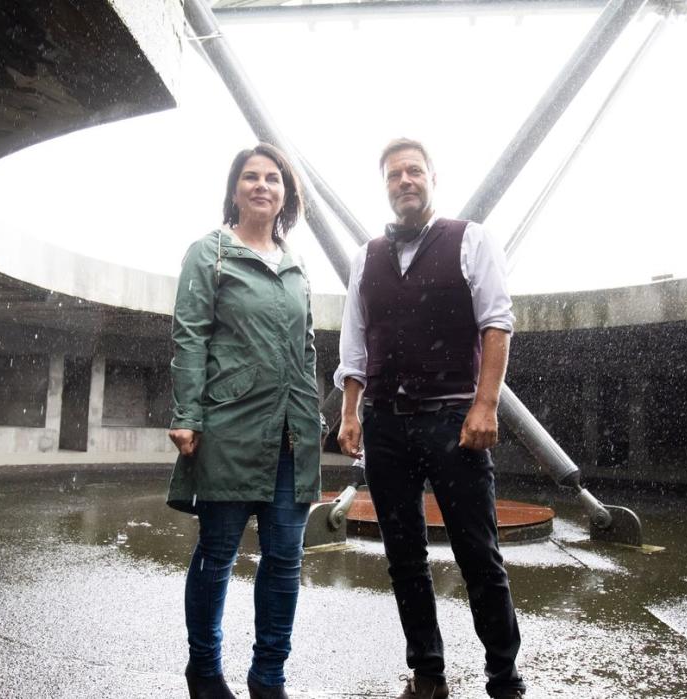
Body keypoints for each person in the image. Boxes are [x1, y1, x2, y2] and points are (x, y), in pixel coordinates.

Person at [335, 138, 526, 699]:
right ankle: (428, 673)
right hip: (385, 424)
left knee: (478, 554)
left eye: (414, 171)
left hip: (452, 421)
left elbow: (497, 323)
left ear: (433, 178)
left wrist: (485, 404)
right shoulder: (364, 255)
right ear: (386, 186)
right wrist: (350, 412)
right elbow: (354, 340)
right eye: (394, 175)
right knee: (404, 559)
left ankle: (503, 676)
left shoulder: (470, 239)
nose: (405, 181)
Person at [167, 143, 322, 699]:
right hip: (228, 426)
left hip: (291, 434)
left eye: (273, 178)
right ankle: (204, 670)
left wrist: (314, 413)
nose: (262, 185)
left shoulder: (296, 263)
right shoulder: (209, 253)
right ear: (235, 190)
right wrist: (187, 413)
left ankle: (268, 676)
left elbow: (305, 349)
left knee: (284, 559)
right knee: (217, 554)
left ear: (286, 194)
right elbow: (190, 335)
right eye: (251, 177)